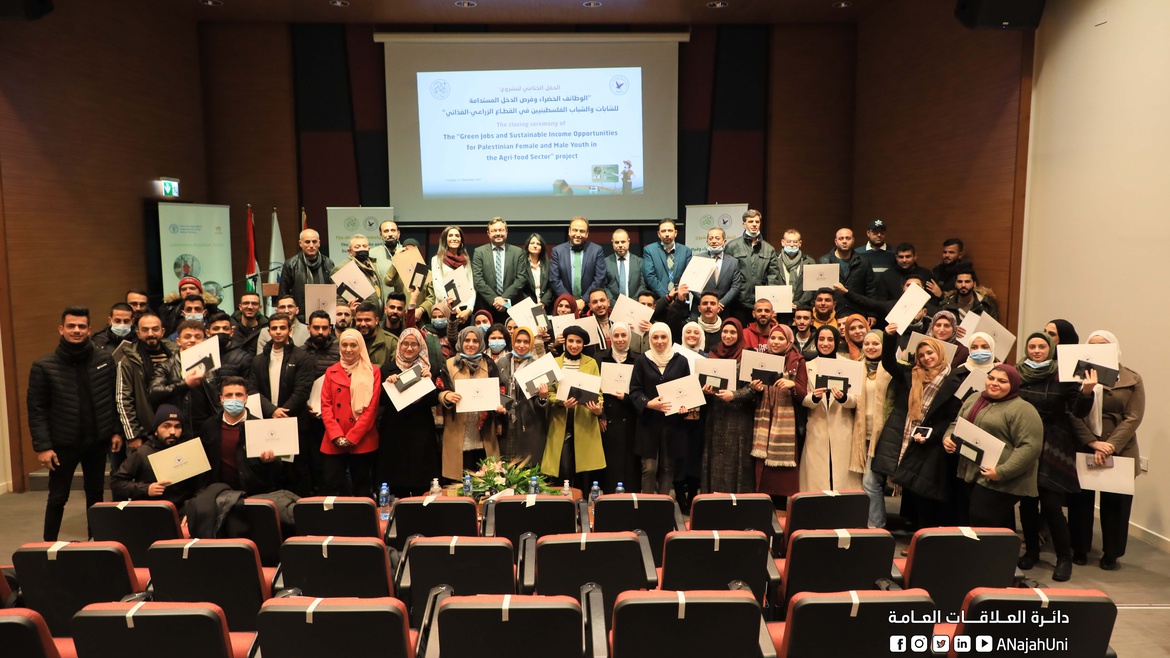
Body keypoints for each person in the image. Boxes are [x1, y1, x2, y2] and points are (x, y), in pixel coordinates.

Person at [28, 306, 122, 540]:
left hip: (97, 441)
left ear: (89, 330)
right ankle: (48, 547)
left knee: (96, 495)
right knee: (58, 497)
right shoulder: (43, 366)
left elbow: (113, 399)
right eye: (71, 326)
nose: (76, 330)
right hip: (63, 444)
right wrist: (43, 447)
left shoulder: (104, 361)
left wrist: (115, 431)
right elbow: (37, 410)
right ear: (61, 329)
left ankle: (96, 544)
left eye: (81, 326)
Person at [1015, 331, 1094, 581]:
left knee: (1051, 504)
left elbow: (1078, 411)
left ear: (1050, 348)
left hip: (1054, 443)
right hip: (1025, 441)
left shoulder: (1064, 374)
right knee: (1027, 502)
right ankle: (1032, 551)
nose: (1037, 351)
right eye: (1032, 346)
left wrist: (1087, 392)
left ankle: (1064, 558)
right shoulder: (1018, 373)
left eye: (1042, 346)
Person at [872, 326, 963, 528]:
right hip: (905, 435)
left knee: (924, 490)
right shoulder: (910, 373)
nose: (926, 358)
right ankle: (918, 530)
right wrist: (889, 337)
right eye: (921, 355)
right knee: (911, 487)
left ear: (939, 352)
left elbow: (951, 417)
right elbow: (888, 362)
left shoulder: (953, 381)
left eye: (930, 353)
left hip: (930, 442)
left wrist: (932, 435)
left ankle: (926, 532)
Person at [1068, 330, 1144, 571]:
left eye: (1104, 345)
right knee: (1080, 501)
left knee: (1116, 503)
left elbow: (1134, 416)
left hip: (1120, 446)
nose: (1098, 349)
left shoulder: (1132, 378)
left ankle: (1112, 553)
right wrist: (1092, 442)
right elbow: (1071, 412)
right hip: (1084, 443)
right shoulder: (1075, 373)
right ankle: (1079, 548)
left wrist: (1110, 445)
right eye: (1093, 345)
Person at [943, 365, 1043, 529]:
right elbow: (957, 424)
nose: (994, 383)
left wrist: (1001, 472)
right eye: (991, 378)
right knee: (983, 524)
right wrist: (948, 437)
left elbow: (1030, 447)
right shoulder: (975, 398)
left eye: (1002, 381)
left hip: (1003, 478)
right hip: (973, 471)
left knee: (982, 521)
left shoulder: (1023, 409)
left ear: (1013, 384)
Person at [377, 327, 441, 498]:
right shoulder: (388, 368)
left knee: (421, 479)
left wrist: (428, 382)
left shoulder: (428, 369)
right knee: (396, 480)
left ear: (421, 346)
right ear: (399, 345)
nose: (409, 348)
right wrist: (388, 384)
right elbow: (381, 401)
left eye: (414, 344)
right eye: (405, 343)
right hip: (394, 431)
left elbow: (434, 400)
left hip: (421, 430)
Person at [539, 326, 606, 489]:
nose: (574, 345)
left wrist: (599, 409)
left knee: (584, 472)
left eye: (578, 342)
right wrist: (560, 402)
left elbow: (598, 392)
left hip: (585, 421)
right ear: (565, 342)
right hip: (561, 421)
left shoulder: (591, 363)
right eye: (571, 341)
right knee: (563, 470)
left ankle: (582, 502)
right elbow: (550, 392)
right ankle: (565, 503)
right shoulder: (555, 363)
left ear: (583, 344)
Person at [629, 323, 690, 496]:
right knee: (649, 468)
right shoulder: (642, 360)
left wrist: (684, 406)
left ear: (669, 338)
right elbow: (634, 390)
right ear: (650, 339)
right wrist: (648, 403)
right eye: (655, 337)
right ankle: (647, 505)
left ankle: (663, 506)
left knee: (668, 468)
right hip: (648, 423)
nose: (659, 341)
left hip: (672, 423)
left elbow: (687, 391)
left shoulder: (681, 361)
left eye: (663, 337)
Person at [319, 328, 381, 497]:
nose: (348, 349)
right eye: (344, 345)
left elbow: (371, 409)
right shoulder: (331, 371)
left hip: (362, 439)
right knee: (330, 486)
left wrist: (352, 437)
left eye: (353, 345)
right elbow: (326, 406)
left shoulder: (373, 372)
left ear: (360, 346)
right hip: (334, 439)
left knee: (362, 487)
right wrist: (337, 435)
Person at [438, 327, 506, 479]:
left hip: (484, 433)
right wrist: (447, 395)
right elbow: (439, 390)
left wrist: (499, 407)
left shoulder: (489, 364)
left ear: (481, 343)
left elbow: (499, 390)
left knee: (485, 480)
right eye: (467, 340)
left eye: (475, 341)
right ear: (461, 342)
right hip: (457, 431)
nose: (470, 344)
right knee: (459, 483)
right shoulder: (450, 364)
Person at [750, 324, 807, 506]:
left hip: (786, 427)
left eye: (781, 338)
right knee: (761, 476)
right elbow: (750, 392)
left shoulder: (798, 361)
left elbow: (803, 395)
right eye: (772, 338)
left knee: (780, 481)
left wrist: (793, 385)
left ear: (789, 341)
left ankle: (780, 516)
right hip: (763, 425)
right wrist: (756, 389)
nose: (775, 342)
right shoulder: (760, 358)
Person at [801, 326, 862, 491]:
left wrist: (844, 398)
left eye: (830, 339)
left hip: (842, 426)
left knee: (841, 477)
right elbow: (803, 399)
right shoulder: (808, 366)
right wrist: (813, 397)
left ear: (836, 342)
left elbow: (856, 400)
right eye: (821, 339)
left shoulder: (849, 365)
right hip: (817, 426)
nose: (825, 343)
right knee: (816, 476)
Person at [700, 319, 757, 494]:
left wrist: (735, 395)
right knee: (715, 462)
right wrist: (706, 391)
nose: (728, 336)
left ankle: (737, 503)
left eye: (733, 332)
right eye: (725, 332)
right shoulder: (712, 354)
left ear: (739, 334)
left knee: (737, 462)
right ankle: (714, 501)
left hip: (738, 418)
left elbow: (754, 389)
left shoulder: (748, 355)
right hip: (715, 416)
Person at [111, 405, 206, 508]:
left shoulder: (189, 452)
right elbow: (117, 483)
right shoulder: (142, 453)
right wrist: (146, 489)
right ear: (156, 430)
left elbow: (201, 487)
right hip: (151, 509)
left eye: (177, 427)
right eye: (166, 426)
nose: (172, 432)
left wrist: (193, 510)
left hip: (184, 510)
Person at [200, 376, 280, 494]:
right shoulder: (209, 426)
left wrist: (270, 461)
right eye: (229, 395)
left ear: (246, 398)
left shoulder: (260, 426)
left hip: (253, 494)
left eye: (238, 395)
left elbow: (277, 470)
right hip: (219, 494)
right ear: (221, 399)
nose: (234, 399)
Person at [116, 312, 175, 472]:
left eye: (155, 329)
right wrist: (133, 436)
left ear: (162, 331)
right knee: (145, 477)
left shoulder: (176, 354)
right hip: (145, 431)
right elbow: (123, 400)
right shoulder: (128, 361)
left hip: (175, 428)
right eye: (145, 330)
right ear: (138, 333)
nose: (150, 333)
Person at [149, 319, 221, 436]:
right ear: (178, 341)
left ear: (204, 340)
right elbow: (154, 392)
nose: (192, 340)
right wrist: (185, 384)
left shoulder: (212, 365)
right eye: (187, 337)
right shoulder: (166, 366)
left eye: (198, 337)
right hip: (179, 427)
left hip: (208, 427)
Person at [595, 321, 639, 493]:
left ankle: (630, 501)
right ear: (611, 338)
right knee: (610, 464)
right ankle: (607, 500)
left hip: (630, 417)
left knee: (629, 465)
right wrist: (601, 415)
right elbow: (595, 389)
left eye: (623, 335)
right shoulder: (600, 358)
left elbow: (642, 390)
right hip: (607, 418)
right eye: (616, 335)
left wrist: (627, 398)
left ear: (629, 336)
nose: (620, 339)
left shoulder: (639, 359)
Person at [855, 330, 893, 528]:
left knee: (871, 482)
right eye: (867, 344)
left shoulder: (891, 368)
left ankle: (876, 527)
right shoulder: (857, 367)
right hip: (861, 432)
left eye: (875, 343)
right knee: (864, 482)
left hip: (883, 433)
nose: (870, 347)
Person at [298, 310, 339, 495]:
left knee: (331, 466)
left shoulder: (339, 351)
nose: (320, 332)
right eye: (316, 327)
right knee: (309, 462)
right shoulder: (299, 352)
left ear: (330, 329)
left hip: (333, 417)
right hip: (307, 416)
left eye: (324, 328)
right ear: (309, 328)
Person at [497, 326, 550, 467]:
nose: (521, 345)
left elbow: (540, 403)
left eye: (526, 342)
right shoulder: (502, 362)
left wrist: (543, 397)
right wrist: (498, 418)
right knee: (504, 469)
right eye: (518, 341)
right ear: (513, 341)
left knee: (526, 468)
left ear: (531, 343)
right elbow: (496, 389)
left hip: (529, 422)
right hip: (506, 420)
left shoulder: (537, 365)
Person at [249, 312, 314, 421]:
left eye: (282, 328)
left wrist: (282, 413)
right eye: (274, 328)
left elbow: (302, 391)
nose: (278, 331)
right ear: (269, 332)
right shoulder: (258, 360)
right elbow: (252, 390)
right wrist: (271, 410)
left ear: (290, 330)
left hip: (294, 417)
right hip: (266, 417)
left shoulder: (302, 357)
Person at [724, 209, 784, 323]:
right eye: (751, 221)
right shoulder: (732, 246)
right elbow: (727, 275)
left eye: (757, 221)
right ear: (744, 224)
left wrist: (770, 302)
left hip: (760, 304)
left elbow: (773, 277)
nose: (754, 224)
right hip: (738, 302)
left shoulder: (769, 249)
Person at [471, 217, 527, 322]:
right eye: (494, 231)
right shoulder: (479, 252)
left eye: (501, 230)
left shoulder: (517, 252)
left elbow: (521, 279)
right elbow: (478, 280)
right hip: (487, 307)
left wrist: (504, 299)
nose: (498, 233)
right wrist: (495, 300)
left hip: (512, 306)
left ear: (506, 232)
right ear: (488, 233)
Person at [549, 217, 607, 309]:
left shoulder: (597, 250)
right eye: (575, 230)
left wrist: (584, 300)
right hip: (565, 306)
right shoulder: (557, 251)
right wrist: (570, 301)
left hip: (589, 305)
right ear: (569, 231)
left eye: (582, 231)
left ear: (587, 234)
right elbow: (554, 279)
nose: (578, 234)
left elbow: (599, 278)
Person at [279, 228, 335, 322]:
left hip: (324, 314)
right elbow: (283, 293)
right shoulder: (291, 264)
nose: (311, 245)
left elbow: (334, 289)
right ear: (300, 243)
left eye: (314, 242)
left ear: (319, 243)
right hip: (299, 316)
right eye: (307, 242)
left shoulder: (328, 263)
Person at [818, 228, 875, 316]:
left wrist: (872, 313)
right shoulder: (824, 261)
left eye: (848, 238)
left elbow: (871, 289)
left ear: (853, 240)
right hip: (832, 312)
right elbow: (816, 291)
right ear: (836, 241)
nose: (844, 241)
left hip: (858, 310)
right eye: (841, 238)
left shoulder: (863, 261)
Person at [431, 225, 476, 325]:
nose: (454, 238)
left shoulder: (466, 260)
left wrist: (469, 309)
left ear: (461, 240)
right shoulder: (437, 259)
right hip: (446, 308)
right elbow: (438, 286)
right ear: (445, 239)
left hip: (465, 310)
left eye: (457, 236)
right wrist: (455, 308)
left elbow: (471, 286)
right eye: (450, 235)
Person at [699, 227, 745, 320]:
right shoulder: (698, 259)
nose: (714, 241)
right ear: (707, 241)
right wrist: (706, 302)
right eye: (711, 238)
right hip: (702, 310)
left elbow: (736, 286)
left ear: (724, 241)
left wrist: (720, 303)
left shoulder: (733, 262)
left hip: (724, 310)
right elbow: (692, 285)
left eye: (717, 238)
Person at [642, 219, 693, 299]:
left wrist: (678, 295)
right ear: (658, 234)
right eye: (663, 231)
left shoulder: (686, 251)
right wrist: (667, 297)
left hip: (680, 299)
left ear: (675, 233)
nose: (667, 234)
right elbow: (650, 277)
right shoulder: (649, 250)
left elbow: (689, 276)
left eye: (670, 231)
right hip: (659, 300)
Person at [333, 234, 383, 308]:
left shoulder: (373, 265)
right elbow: (340, 299)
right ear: (350, 251)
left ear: (369, 248)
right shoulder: (342, 268)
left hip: (377, 311)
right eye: (357, 247)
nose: (361, 249)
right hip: (359, 313)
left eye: (364, 246)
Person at [206, 312, 253, 380]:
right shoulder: (201, 355)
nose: (221, 331)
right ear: (208, 333)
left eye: (225, 328)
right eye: (216, 328)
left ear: (231, 332)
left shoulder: (243, 358)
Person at [778, 228, 817, 308]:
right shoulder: (775, 261)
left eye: (795, 242)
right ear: (783, 242)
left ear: (800, 243)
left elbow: (811, 288)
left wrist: (799, 303)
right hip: (780, 305)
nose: (792, 245)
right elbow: (772, 283)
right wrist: (782, 303)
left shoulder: (809, 262)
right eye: (789, 241)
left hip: (802, 307)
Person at [353, 301, 396, 370]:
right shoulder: (347, 339)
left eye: (367, 320)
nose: (363, 324)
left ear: (376, 320)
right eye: (359, 320)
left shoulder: (391, 343)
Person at [605, 228, 645, 302]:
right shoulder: (606, 262)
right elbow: (604, 286)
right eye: (617, 242)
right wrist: (613, 302)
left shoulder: (639, 262)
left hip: (635, 303)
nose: (620, 245)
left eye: (623, 242)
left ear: (628, 241)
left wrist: (633, 302)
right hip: (612, 305)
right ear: (612, 243)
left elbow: (643, 285)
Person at [522, 233, 554, 309]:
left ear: (542, 247)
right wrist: (531, 304)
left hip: (546, 305)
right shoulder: (521, 264)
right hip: (527, 305)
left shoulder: (549, 264)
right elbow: (520, 288)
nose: (535, 246)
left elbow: (552, 286)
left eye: (538, 244)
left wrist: (543, 302)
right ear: (527, 246)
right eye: (532, 243)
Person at [370, 220, 401, 291]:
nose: (390, 234)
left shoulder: (407, 253)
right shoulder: (372, 254)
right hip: (383, 296)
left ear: (398, 234)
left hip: (404, 296)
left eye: (393, 230)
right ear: (381, 235)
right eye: (386, 231)